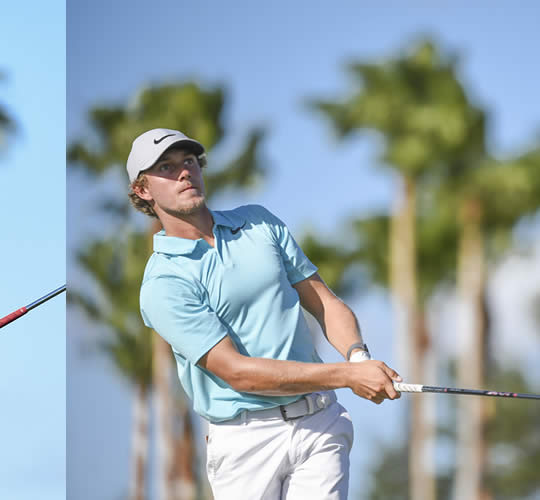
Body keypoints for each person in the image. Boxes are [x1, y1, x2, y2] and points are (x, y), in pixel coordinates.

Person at [127, 128, 402, 499]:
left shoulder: (258, 222)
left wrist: (359, 357)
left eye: (189, 161)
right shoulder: (163, 284)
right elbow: (239, 373)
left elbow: (323, 302)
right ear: (142, 190)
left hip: (319, 422)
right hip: (245, 444)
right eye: (166, 167)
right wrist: (348, 375)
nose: (184, 173)